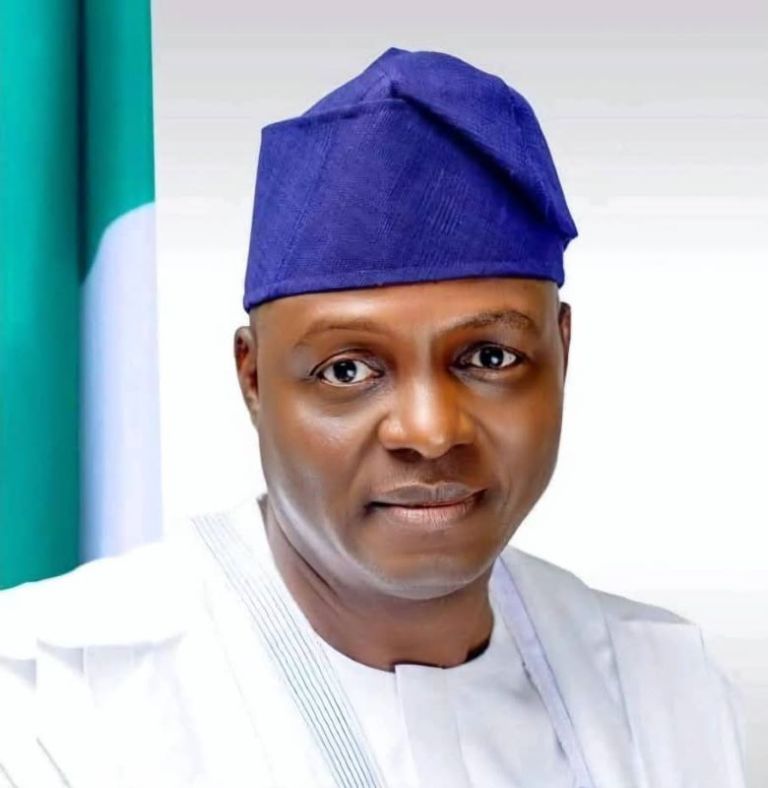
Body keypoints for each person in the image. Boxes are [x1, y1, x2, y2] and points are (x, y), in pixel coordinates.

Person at [0, 47, 746, 787]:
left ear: (562, 351)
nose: (430, 432)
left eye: (489, 357)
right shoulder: (49, 705)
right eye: (347, 370)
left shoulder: (671, 695)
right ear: (253, 379)